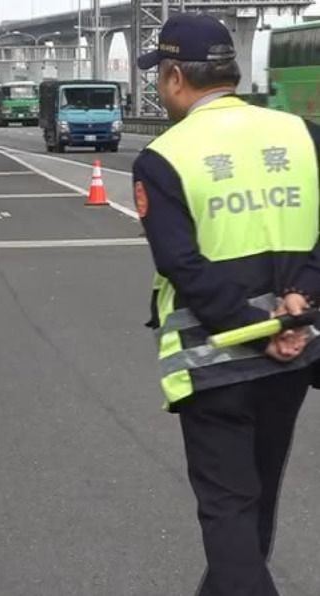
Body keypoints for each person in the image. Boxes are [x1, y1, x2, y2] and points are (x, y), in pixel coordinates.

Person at [135, 13, 320, 596]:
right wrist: (297, 304)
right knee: (256, 500)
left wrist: (252, 325)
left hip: (216, 357)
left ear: (173, 78)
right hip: (294, 350)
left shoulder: (164, 156)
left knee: (228, 509)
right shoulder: (302, 134)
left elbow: (181, 266)